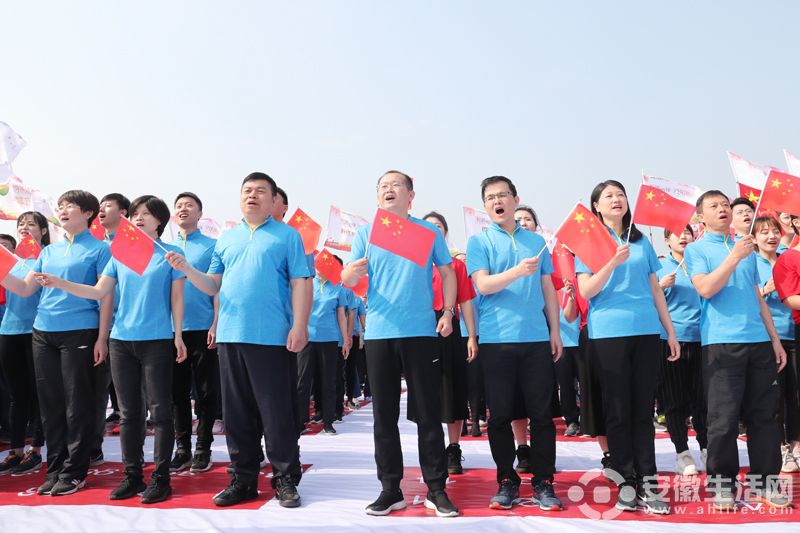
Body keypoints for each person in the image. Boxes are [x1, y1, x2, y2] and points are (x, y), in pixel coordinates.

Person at [167, 172, 309, 508]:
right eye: (247, 191)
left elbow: (301, 282)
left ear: (273, 200)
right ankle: (243, 479)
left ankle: (285, 478)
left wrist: (300, 326)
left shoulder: (287, 236)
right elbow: (212, 284)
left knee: (276, 412)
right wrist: (187, 269)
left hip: (272, 337)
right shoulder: (227, 240)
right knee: (237, 414)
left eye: (260, 191)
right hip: (231, 336)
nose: (252, 195)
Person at [37, 195, 187, 503]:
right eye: (136, 213)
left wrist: (178, 336)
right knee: (129, 414)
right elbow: (98, 291)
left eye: (147, 213)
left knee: (159, 412)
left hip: (156, 339)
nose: (139, 218)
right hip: (121, 341)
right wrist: (60, 283)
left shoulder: (170, 254)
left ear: (160, 220)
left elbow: (176, 298)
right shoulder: (120, 253)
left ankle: (161, 478)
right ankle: (133, 476)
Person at [342, 170, 459, 518]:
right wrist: (352, 273)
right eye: (383, 186)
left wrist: (448, 312)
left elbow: (448, 272)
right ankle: (390, 489)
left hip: (420, 331)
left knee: (428, 414)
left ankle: (436, 488)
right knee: (384, 416)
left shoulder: (427, 232)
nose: (388, 190)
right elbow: (347, 277)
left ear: (411, 195)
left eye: (395, 185)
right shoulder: (366, 234)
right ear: (378, 196)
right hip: (380, 332)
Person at [576, 180, 679, 514]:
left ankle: (648, 482)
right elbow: (586, 291)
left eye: (620, 194)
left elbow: (655, 288)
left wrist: (670, 331)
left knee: (642, 411)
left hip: (646, 331)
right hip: (608, 334)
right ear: (596, 206)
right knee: (618, 410)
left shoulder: (640, 240)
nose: (616, 199)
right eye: (608, 196)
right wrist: (611, 262)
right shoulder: (589, 241)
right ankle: (626, 482)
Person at [1, 190, 113, 497]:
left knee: (77, 405)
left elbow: (104, 296)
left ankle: (75, 471)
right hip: (43, 332)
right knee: (50, 406)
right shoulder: (48, 252)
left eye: (70, 206)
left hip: (80, 330)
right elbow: (25, 289)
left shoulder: (100, 249)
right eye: (61, 206)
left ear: (88, 213)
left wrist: (102, 337)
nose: (63, 210)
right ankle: (54, 469)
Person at [685, 190, 789, 510]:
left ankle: (765, 482)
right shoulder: (697, 249)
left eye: (725, 205)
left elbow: (757, 298)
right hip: (721, 343)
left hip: (758, 342)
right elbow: (705, 288)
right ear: (701, 216)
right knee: (723, 419)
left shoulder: (747, 248)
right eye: (714, 206)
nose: (722, 209)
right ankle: (722, 484)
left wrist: (774, 340)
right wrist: (733, 258)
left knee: (765, 417)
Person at [468, 176, 563, 511]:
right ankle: (506, 480)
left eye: (503, 195)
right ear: (485, 206)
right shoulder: (479, 242)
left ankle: (544, 481)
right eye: (491, 197)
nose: (498, 201)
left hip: (535, 338)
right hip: (497, 340)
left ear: (515, 199)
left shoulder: (536, 241)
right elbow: (483, 285)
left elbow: (548, 287)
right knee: (499, 416)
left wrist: (555, 330)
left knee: (542, 415)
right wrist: (517, 272)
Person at [421, 211, 477, 475]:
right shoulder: (414, 262)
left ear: (445, 232)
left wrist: (471, 336)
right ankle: (431, 449)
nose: (434, 229)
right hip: (420, 329)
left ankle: (453, 448)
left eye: (438, 226)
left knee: (452, 389)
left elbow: (465, 301)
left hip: (449, 327)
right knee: (426, 392)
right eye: (428, 226)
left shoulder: (456, 266)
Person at [169, 192, 221, 473]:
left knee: (205, 391)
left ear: (200, 214)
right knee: (176, 393)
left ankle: (203, 448)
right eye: (179, 206)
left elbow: (218, 287)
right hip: (171, 329)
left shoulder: (213, 246)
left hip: (203, 327)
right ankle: (182, 449)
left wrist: (216, 323)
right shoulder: (164, 247)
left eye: (189, 206)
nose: (183, 209)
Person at [657, 226, 706, 476]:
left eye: (688, 232)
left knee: (703, 400)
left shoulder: (700, 265)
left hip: (703, 338)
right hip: (672, 339)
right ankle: (682, 453)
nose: (684, 237)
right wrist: (660, 286)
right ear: (667, 240)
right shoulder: (660, 267)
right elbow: (648, 302)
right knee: (675, 400)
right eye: (677, 233)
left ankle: (707, 448)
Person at [0, 213, 47, 475]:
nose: (24, 228)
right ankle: (15, 450)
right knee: (17, 394)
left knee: (38, 393)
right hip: (9, 329)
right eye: (21, 224)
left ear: (43, 230)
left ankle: (36, 450)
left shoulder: (47, 257)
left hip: (37, 330)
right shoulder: (10, 258)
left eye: (31, 224)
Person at [758, 216, 800, 473]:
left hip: (792, 332)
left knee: (795, 394)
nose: (772, 236)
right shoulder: (750, 262)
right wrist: (764, 290)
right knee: (774, 397)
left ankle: (795, 445)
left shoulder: (787, 256)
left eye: (775, 231)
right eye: (764, 232)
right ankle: (781, 448)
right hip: (766, 337)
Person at [93, 192, 131, 466]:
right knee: (95, 390)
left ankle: (135, 460)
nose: (102, 210)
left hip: (129, 328)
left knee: (131, 397)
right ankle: (93, 447)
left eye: (108, 206)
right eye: (100, 206)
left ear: (124, 213)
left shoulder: (135, 246)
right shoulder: (97, 246)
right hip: (97, 327)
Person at [295, 263, 350, 435]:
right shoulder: (306, 284)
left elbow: (342, 317)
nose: (320, 269)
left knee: (328, 382)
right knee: (302, 381)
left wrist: (346, 339)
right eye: (318, 266)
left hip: (329, 339)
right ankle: (299, 421)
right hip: (307, 338)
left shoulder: (337, 288)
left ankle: (328, 422)